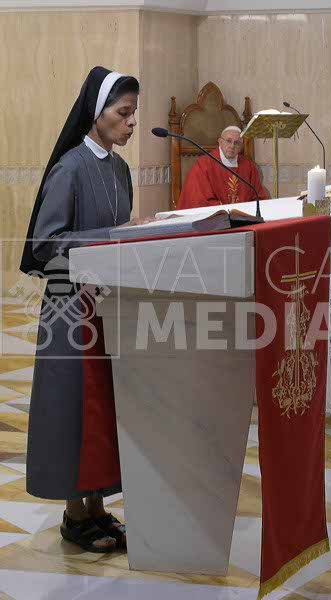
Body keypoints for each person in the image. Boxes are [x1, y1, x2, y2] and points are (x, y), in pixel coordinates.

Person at [21, 66, 140, 553]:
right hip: (70, 309)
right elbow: (45, 244)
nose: (131, 123)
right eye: (123, 113)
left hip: (108, 306)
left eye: (133, 114)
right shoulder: (69, 167)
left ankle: (96, 507)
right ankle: (74, 515)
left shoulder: (119, 168)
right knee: (73, 409)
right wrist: (112, 237)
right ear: (97, 112)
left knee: (102, 409)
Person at [177, 125, 270, 209]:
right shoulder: (203, 165)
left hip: (244, 217)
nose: (232, 146)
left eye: (236, 143)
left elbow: (258, 198)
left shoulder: (248, 166)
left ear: (241, 146)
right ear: (220, 142)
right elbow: (198, 200)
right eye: (228, 141)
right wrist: (226, 210)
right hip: (216, 219)